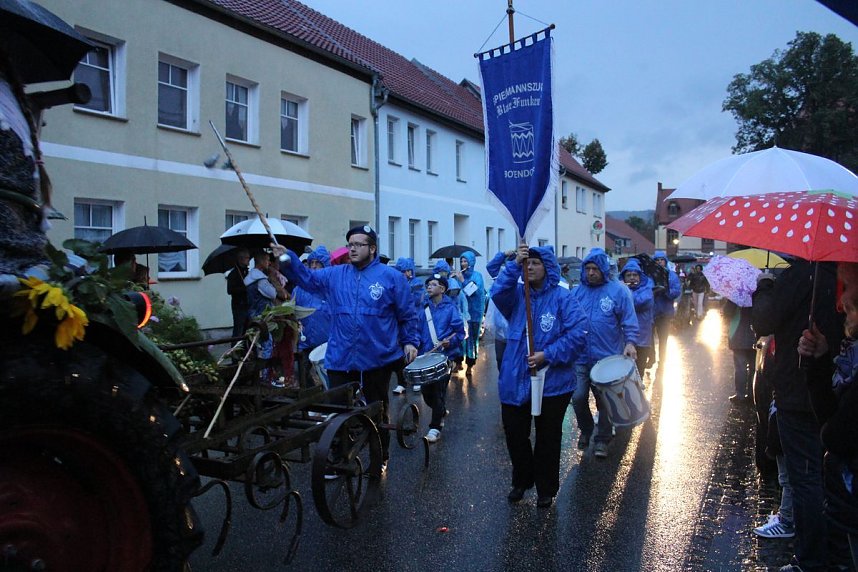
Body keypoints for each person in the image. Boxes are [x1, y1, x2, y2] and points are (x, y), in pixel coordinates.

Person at [273, 225, 419, 469]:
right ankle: (340, 457)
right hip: (340, 356)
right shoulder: (335, 275)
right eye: (350, 244)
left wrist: (410, 341)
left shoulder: (391, 277)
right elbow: (307, 278)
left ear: (372, 248)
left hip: (377, 358)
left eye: (359, 244)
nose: (352, 249)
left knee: (377, 409)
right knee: (338, 411)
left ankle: (380, 456)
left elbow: (407, 314)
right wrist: (288, 258)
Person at [751, 259, 845, 572]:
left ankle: (811, 560)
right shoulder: (842, 275)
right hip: (834, 391)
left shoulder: (801, 275)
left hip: (799, 393)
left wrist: (764, 286)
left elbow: (763, 321)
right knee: (827, 477)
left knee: (806, 480)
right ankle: (834, 553)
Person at [491, 244, 586, 507]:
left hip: (553, 381)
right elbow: (497, 292)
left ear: (547, 267)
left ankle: (546, 488)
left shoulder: (563, 297)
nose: (529, 267)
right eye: (527, 263)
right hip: (515, 376)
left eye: (535, 263)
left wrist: (548, 354)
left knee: (548, 436)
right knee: (515, 433)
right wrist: (513, 264)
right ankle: (522, 480)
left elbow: (579, 333)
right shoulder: (516, 296)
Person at [797, 262, 858, 572]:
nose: (842, 301)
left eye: (849, 291)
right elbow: (829, 416)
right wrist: (819, 362)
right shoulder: (851, 357)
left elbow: (836, 435)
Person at [571, 247, 639, 459]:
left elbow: (629, 320)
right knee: (577, 397)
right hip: (580, 356)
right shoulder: (577, 292)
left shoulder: (618, 291)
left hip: (607, 358)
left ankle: (602, 439)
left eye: (595, 269)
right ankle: (586, 429)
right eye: (588, 269)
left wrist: (630, 343)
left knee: (605, 401)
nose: (591, 273)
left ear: (603, 269)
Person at [416, 274, 465, 443]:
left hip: (444, 357)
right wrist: (414, 346)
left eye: (433, 284)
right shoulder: (424, 308)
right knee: (426, 392)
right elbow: (416, 330)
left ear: (442, 289)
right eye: (428, 284)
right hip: (426, 357)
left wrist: (450, 343)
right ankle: (441, 409)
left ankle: (435, 427)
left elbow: (460, 332)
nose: (429, 287)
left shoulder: (451, 309)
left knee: (438, 392)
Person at [292, 245, 331, 388]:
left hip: (327, 342)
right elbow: (293, 309)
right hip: (305, 340)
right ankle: (310, 397)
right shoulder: (300, 288)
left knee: (328, 376)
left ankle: (328, 397)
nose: (313, 266)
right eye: (311, 263)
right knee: (302, 373)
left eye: (317, 263)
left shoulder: (331, 287)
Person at [244, 250, 282, 387]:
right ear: (260, 261)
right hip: (261, 319)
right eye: (266, 260)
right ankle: (264, 377)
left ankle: (260, 377)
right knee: (266, 346)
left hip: (253, 315)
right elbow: (272, 294)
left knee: (258, 347)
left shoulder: (250, 278)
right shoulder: (260, 279)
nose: (269, 262)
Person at [392, 257, 425, 394]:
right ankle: (402, 382)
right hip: (400, 322)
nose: (405, 274)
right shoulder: (396, 284)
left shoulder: (417, 284)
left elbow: (416, 300)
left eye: (407, 271)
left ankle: (417, 380)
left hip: (416, 322)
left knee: (416, 352)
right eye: (402, 271)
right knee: (401, 354)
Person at [452, 251, 485, 377]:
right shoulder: (459, 276)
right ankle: (458, 362)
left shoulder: (477, 276)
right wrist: (452, 279)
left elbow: (473, 292)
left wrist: (462, 280)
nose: (463, 263)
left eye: (465, 261)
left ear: (471, 262)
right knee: (460, 339)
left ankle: (470, 365)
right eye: (461, 261)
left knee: (471, 340)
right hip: (462, 314)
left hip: (474, 313)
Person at [620, 258, 654, 377]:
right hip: (623, 339)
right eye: (628, 275)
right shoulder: (619, 289)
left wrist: (625, 291)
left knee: (639, 372)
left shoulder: (647, 289)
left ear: (640, 276)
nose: (632, 278)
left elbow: (640, 302)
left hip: (642, 338)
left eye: (635, 275)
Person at [486, 250, 517, 370]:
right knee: (500, 359)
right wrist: (503, 254)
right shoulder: (501, 277)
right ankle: (503, 380)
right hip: (500, 328)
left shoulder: (522, 279)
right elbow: (491, 266)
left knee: (515, 361)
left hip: (516, 328)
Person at [651, 251, 681, 369]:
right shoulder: (649, 275)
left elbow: (676, 291)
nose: (659, 262)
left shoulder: (671, 275)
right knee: (648, 338)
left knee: (663, 339)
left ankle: (662, 360)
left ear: (665, 261)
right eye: (657, 260)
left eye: (661, 260)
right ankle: (652, 356)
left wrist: (666, 291)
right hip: (651, 312)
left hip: (665, 313)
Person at [722, 299, 756, 402]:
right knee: (754, 367)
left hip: (738, 334)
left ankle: (740, 394)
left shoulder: (736, 295)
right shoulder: (758, 294)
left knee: (740, 367)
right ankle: (752, 393)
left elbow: (727, 312)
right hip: (754, 334)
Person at [226, 248, 251, 338]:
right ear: (241, 259)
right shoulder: (233, 274)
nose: (248, 260)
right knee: (238, 330)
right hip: (239, 306)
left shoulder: (247, 272)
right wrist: (244, 289)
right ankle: (235, 346)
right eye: (247, 258)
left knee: (247, 330)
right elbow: (230, 290)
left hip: (247, 304)